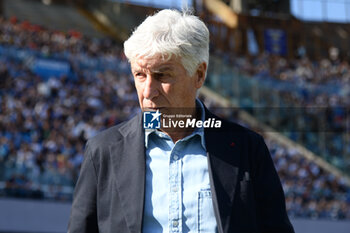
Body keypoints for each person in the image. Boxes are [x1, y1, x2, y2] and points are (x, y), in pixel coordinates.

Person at [68, 9, 294, 233]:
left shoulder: (248, 149)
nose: (148, 91)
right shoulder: (103, 152)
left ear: (199, 75)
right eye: (140, 75)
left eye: (162, 75)